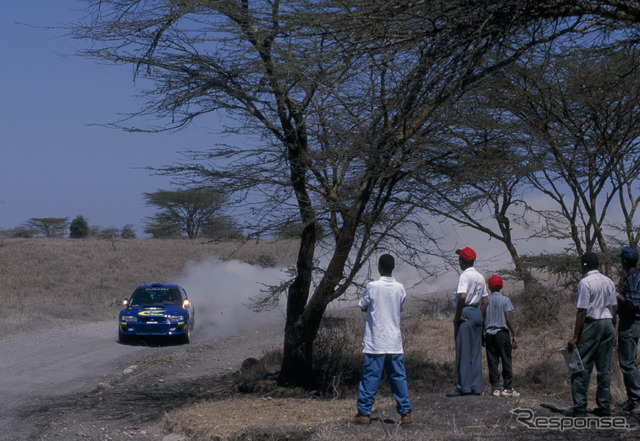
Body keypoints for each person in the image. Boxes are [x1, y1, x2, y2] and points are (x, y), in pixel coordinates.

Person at [347, 254, 412, 425]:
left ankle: (364, 413)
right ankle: (405, 413)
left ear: (379, 267)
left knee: (370, 377)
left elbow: (363, 305)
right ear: (393, 267)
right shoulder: (400, 288)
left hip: (376, 341)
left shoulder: (373, 286)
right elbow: (400, 308)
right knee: (398, 377)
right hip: (394, 342)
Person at [565, 252, 617, 417]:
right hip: (608, 323)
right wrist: (612, 329)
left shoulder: (585, 282)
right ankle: (604, 406)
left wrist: (575, 337)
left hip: (592, 324)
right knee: (604, 369)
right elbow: (614, 308)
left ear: (585, 265)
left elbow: (582, 311)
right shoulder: (608, 281)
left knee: (582, 365)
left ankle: (580, 407)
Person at [447, 246, 488, 397]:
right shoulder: (481, 277)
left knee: (463, 351)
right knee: (475, 352)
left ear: (462, 261)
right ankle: (476, 387)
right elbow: (485, 301)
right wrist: (479, 315)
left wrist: (458, 316)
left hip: (466, 311)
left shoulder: (465, 276)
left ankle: (463, 387)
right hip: (477, 313)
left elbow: (462, 296)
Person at [482, 274, 519, 398]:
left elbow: (482, 318)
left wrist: (482, 334)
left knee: (493, 361)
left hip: (489, 335)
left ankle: (496, 388)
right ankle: (508, 387)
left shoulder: (485, 300)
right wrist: (514, 334)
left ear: (489, 286)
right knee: (506, 360)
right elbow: (508, 319)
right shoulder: (505, 299)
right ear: (501, 286)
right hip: (502, 334)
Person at [616, 246, 640, 415]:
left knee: (627, 363)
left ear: (624, 261)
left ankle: (636, 399)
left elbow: (632, 305)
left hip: (630, 324)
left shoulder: (631, 279)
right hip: (636, 324)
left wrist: (617, 294)